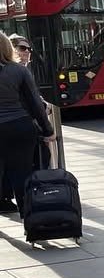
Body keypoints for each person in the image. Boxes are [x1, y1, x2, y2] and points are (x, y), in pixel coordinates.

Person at [0, 34, 55, 216]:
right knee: (21, 174)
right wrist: (48, 130)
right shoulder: (19, 71)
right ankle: (30, 222)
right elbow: (35, 105)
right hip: (19, 127)